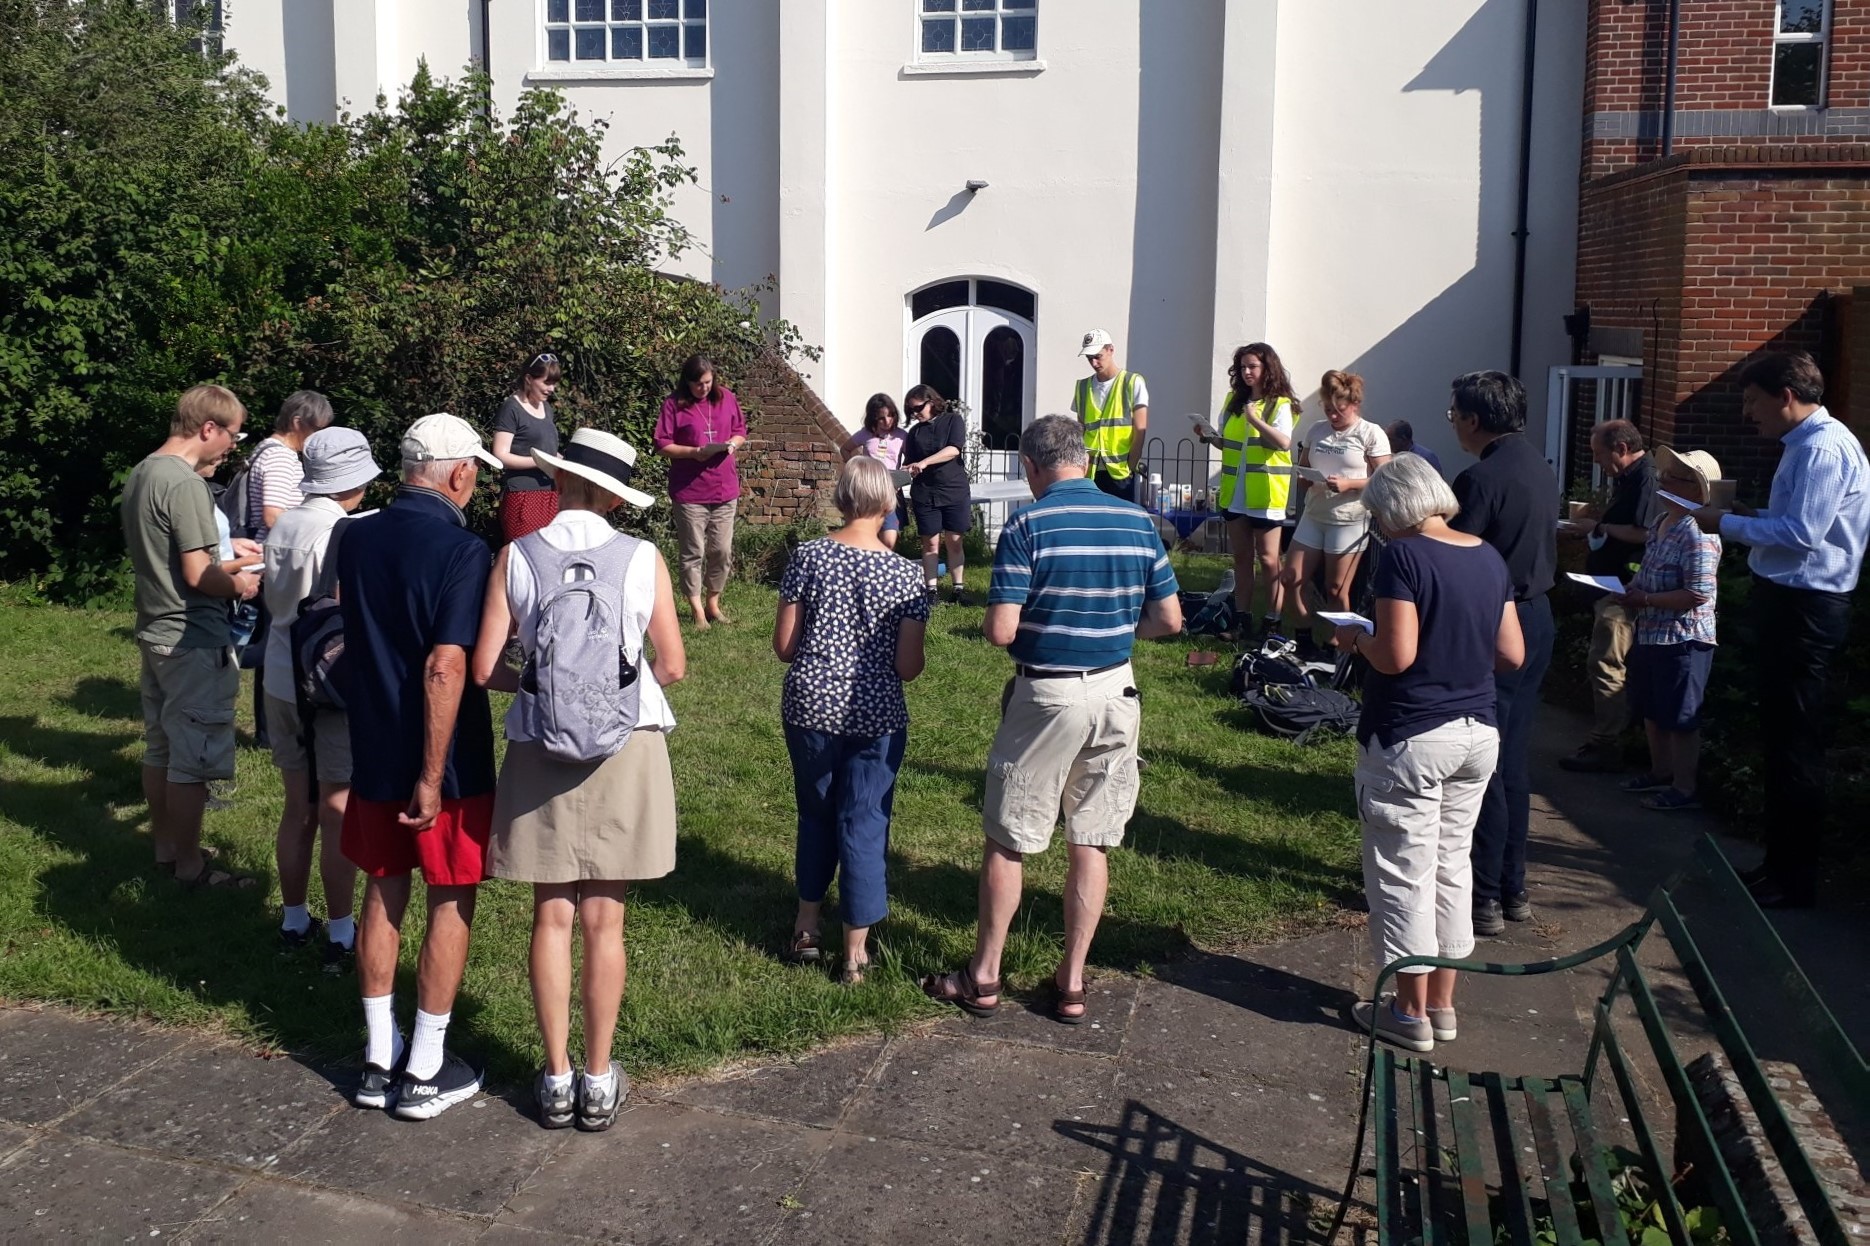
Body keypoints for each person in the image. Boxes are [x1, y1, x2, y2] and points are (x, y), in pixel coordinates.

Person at [921, 415, 1181, 1024]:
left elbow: (1000, 630)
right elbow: (1170, 622)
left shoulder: (1029, 524)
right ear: (1085, 461)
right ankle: (1071, 982)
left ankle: (984, 976)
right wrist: (1117, 630)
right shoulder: (1137, 521)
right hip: (1118, 692)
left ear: (1032, 467)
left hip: (1047, 695)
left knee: (1009, 836)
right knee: (1090, 837)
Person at [471, 427, 684, 1133]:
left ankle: (555, 1076)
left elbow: (483, 670)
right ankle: (599, 1079)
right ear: (616, 497)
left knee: (551, 915)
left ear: (559, 482)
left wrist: (541, 685)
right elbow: (673, 664)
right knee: (606, 918)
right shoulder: (642, 556)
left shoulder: (516, 556)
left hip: (538, 746)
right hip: (625, 745)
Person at [337, 413, 502, 1120]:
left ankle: (378, 1056)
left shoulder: (354, 536)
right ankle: (427, 1068)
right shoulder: (464, 550)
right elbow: (445, 665)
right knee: (450, 893)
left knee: (383, 885)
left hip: (371, 740)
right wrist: (433, 777)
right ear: (460, 473)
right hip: (445, 756)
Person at [1332, 454, 1524, 1052]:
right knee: (1451, 867)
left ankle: (1406, 1013)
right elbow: (1511, 654)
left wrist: (1355, 636)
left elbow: (1396, 655)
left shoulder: (1404, 557)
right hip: (1478, 732)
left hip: (1412, 734)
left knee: (1402, 875)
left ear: (1392, 509)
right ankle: (1442, 1005)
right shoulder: (1488, 556)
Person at [1696, 351, 1869, 909]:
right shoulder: (1810, 443)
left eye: (1752, 400)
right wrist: (1746, 514)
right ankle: (1779, 867)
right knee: (1782, 737)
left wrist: (1725, 522)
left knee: (1795, 741)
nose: (1749, 414)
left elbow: (1800, 534)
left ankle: (1794, 879)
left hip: (1806, 605)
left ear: (1785, 396)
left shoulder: (1820, 447)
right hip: (1795, 600)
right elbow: (1793, 527)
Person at [774, 457, 930, 984]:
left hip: (811, 706)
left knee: (815, 814)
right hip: (876, 714)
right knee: (864, 822)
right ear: (889, 503)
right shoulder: (908, 574)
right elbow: (908, 668)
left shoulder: (808, 557)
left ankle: (806, 926)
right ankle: (855, 954)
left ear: (841, 499)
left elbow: (784, 646)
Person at [121, 384, 262, 888]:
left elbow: (175, 564)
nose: (232, 446)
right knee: (192, 758)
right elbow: (200, 574)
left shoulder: (144, 471)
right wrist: (242, 583)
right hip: (191, 636)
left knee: (160, 747)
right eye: (233, 434)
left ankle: (166, 850)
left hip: (156, 628)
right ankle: (190, 866)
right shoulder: (185, 484)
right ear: (208, 428)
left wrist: (228, 565)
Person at [259, 427, 383, 971]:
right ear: (352, 482)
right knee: (337, 808)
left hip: (280, 676)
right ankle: (338, 929)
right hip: (329, 685)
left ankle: (291, 918)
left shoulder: (285, 521)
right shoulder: (343, 533)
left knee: (296, 807)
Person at [1446, 371, 1560, 937]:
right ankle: (1513, 887)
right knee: (1513, 759)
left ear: (1473, 419)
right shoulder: (1539, 465)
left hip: (1498, 621)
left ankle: (1485, 893)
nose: (1453, 424)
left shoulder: (1479, 478)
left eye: (1454, 415)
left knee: (1485, 761)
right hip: (1539, 615)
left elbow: (1457, 556)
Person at [1616, 448, 1722, 814]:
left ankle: (1684, 787)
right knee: (1650, 706)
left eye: (1672, 478)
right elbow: (1648, 570)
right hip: (1650, 632)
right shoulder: (1663, 521)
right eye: (1663, 476)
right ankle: (1660, 771)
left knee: (1680, 714)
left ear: (1696, 489)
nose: (1661, 482)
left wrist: (1644, 599)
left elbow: (1697, 593)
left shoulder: (1699, 532)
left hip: (1683, 638)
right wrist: (1631, 589)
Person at [1559, 420, 1657, 774]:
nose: (1598, 462)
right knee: (1611, 662)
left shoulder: (1646, 478)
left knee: (1607, 663)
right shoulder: (1630, 478)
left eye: (1600, 454)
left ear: (1621, 448)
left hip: (1623, 589)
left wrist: (1598, 528)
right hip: (1613, 584)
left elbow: (1644, 532)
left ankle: (1607, 743)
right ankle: (1620, 738)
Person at [241, 390, 337, 747]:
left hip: (262, 558)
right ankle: (271, 731)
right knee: (273, 646)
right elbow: (272, 512)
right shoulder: (281, 458)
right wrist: (304, 527)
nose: (316, 440)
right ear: (298, 423)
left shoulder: (262, 450)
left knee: (268, 645)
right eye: (316, 430)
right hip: (272, 561)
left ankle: (268, 730)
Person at [1281, 371, 1391, 655]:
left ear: (1354, 404)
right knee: (1291, 578)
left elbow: (1385, 477)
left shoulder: (1370, 433)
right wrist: (1305, 478)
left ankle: (1336, 647)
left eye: (1339, 410)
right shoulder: (1317, 431)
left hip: (1349, 519)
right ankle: (1304, 639)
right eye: (1328, 409)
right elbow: (1304, 464)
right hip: (1314, 514)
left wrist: (1350, 484)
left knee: (1335, 589)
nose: (1332, 416)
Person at [1193, 343, 1298, 637]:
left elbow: (1283, 443)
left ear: (1268, 369)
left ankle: (1273, 621)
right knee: (1241, 557)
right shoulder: (1233, 401)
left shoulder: (1280, 404)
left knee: (1269, 559)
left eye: (1253, 366)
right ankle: (1242, 620)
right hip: (1235, 492)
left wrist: (1255, 420)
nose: (1247, 372)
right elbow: (1229, 444)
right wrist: (1208, 437)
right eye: (1243, 367)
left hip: (1265, 494)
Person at [655, 354, 748, 630]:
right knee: (693, 551)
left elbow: (741, 430)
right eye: (698, 384)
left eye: (708, 382)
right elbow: (662, 444)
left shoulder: (726, 398)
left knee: (721, 550)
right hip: (689, 490)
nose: (704, 388)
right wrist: (695, 453)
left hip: (724, 487)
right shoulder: (674, 405)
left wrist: (732, 444)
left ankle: (713, 603)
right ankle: (696, 609)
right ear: (688, 382)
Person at [901, 383, 972, 602]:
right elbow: (911, 462)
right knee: (930, 543)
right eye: (911, 410)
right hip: (925, 493)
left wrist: (925, 462)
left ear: (931, 402)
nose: (915, 413)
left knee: (954, 540)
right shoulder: (914, 432)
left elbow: (953, 449)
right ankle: (930, 591)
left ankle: (957, 589)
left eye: (918, 408)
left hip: (953, 489)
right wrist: (907, 470)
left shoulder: (953, 421)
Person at [1069, 329, 1149, 501]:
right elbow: (1080, 431)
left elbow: (1140, 431)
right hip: (1090, 473)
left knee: (1118, 524)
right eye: (1089, 358)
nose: (1094, 362)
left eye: (1098, 356)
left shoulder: (1132, 382)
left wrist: (1131, 467)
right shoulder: (1082, 387)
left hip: (1120, 473)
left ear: (1111, 350)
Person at [492, 352, 564, 542]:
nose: (551, 389)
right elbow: (500, 454)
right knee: (525, 555)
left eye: (554, 383)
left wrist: (562, 462)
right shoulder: (511, 408)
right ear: (529, 378)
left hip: (550, 494)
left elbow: (546, 448)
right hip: (522, 496)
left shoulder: (546, 408)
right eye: (547, 382)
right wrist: (539, 462)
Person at [842, 393, 910, 550]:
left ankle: (884, 566)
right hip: (869, 491)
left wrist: (903, 476)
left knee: (889, 539)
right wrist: (858, 471)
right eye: (881, 418)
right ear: (873, 418)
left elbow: (909, 460)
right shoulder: (865, 434)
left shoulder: (901, 436)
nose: (887, 421)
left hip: (891, 491)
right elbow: (845, 449)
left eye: (891, 416)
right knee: (867, 535)